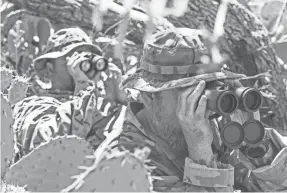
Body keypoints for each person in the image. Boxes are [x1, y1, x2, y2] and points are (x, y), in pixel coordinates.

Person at [113, 28, 287, 192]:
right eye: (191, 93)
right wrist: (201, 152)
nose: (203, 109)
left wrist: (255, 143)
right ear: (150, 95)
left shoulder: (214, 127)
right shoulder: (123, 163)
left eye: (210, 89)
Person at [12, 27, 127, 159]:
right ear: (50, 68)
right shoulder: (34, 105)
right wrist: (83, 88)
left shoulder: (98, 103)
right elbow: (50, 147)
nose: (82, 65)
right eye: (72, 58)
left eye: (88, 58)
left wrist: (120, 101)